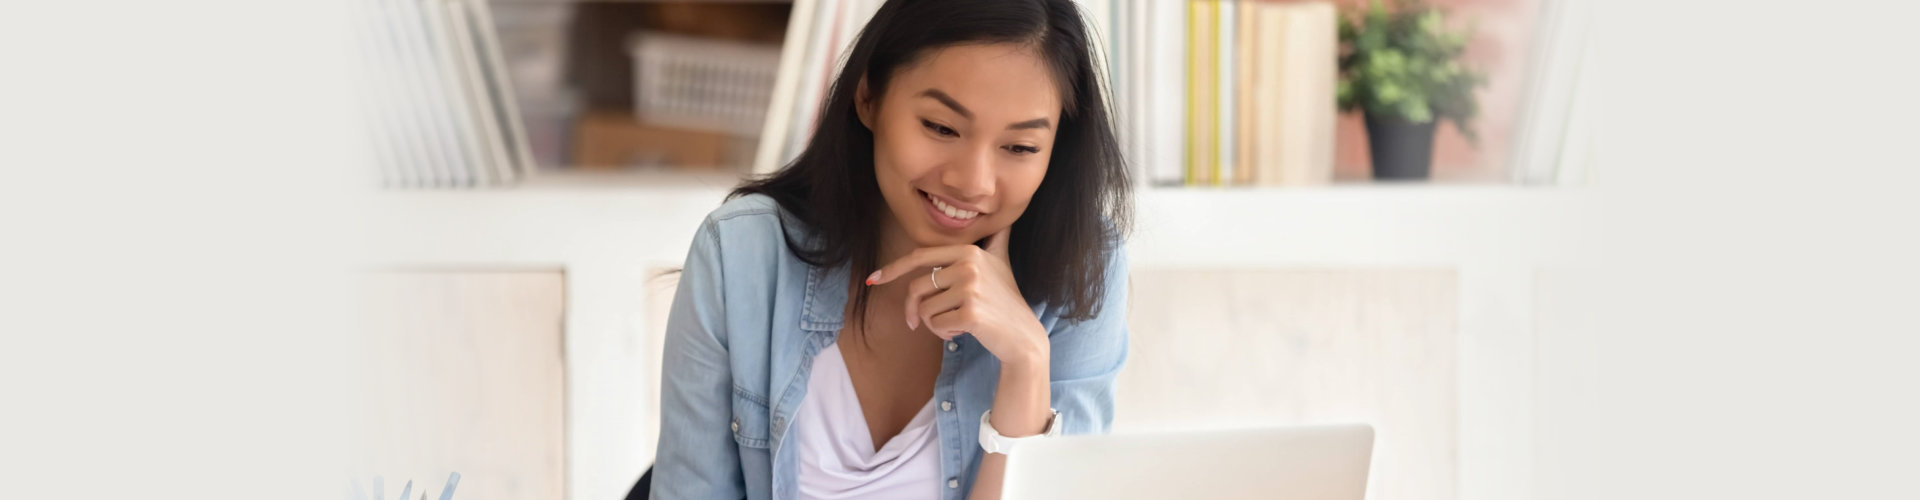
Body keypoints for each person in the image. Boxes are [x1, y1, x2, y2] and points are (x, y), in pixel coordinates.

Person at [652, 0, 1132, 498]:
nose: (972, 182)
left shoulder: (1082, 267)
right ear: (869, 98)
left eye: (1019, 148)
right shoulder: (742, 254)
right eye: (941, 128)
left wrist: (1028, 361)